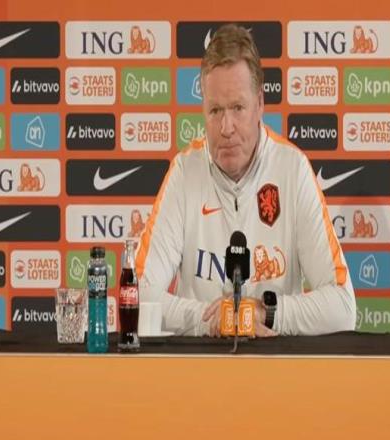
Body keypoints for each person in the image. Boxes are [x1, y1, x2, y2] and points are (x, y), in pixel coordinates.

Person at [136, 24, 355, 337]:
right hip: (199, 363)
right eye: (215, 111)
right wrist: (211, 319)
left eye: (238, 108)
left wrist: (265, 313)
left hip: (273, 363)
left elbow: (343, 308)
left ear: (260, 104)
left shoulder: (292, 169)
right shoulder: (185, 172)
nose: (226, 127)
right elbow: (138, 296)